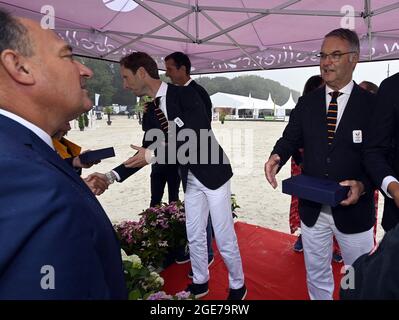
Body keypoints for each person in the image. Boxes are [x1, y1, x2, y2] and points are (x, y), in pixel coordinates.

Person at [0, 10, 127, 299]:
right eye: (67, 56)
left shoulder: (21, 154)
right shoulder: (25, 180)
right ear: (20, 67)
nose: (86, 70)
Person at [112, 52, 246, 300]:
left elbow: (197, 135)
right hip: (190, 177)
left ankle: (238, 285)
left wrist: (153, 154)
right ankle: (200, 281)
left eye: (126, 77)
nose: (124, 84)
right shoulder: (151, 109)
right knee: (194, 234)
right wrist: (111, 176)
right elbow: (145, 152)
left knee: (224, 235)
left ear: (142, 73)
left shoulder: (186, 93)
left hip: (213, 173)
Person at [264, 28, 376, 300]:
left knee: (355, 274)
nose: (326, 62)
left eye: (335, 55)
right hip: (313, 209)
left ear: (354, 58)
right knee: (316, 270)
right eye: (323, 55)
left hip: (354, 210)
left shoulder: (372, 106)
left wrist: (363, 185)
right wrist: (277, 156)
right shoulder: (308, 102)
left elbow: (381, 156)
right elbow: (290, 137)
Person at [164, 51, 215, 271]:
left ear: (183, 69)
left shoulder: (198, 92)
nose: (167, 74)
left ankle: (207, 253)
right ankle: (196, 249)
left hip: (202, 160)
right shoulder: (175, 93)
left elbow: (202, 128)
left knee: (204, 208)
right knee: (194, 210)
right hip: (185, 160)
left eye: (170, 69)